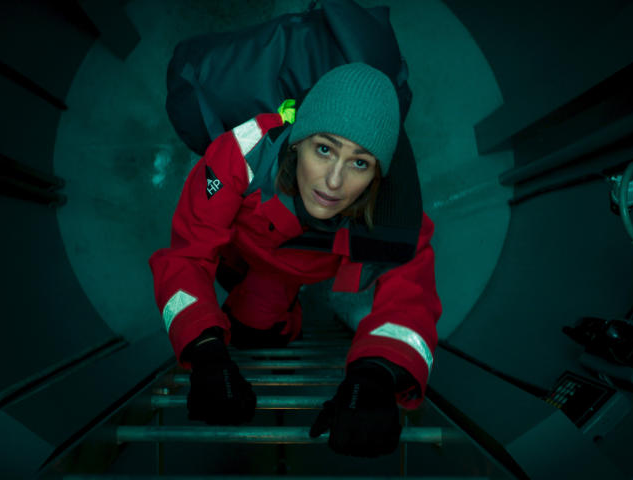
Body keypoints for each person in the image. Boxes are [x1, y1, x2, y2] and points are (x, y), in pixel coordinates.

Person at [149, 63, 442, 458]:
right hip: (259, 260)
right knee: (252, 331)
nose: (334, 182)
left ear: (378, 174)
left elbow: (412, 295)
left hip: (326, 265)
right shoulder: (243, 153)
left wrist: (379, 371)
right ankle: (287, 310)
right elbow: (187, 253)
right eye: (324, 149)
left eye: (360, 162)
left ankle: (320, 304)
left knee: (347, 312)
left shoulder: (399, 209)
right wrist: (203, 345)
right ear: (296, 141)